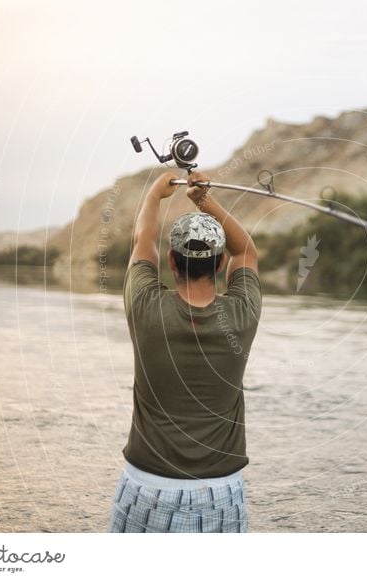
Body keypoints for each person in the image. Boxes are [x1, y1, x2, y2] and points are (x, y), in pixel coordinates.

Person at [108, 170, 261, 533]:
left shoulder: (145, 307)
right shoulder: (242, 314)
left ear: (172, 262)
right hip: (220, 493)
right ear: (221, 265)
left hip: (146, 487)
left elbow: (143, 240)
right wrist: (203, 199)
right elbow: (247, 250)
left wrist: (154, 196)